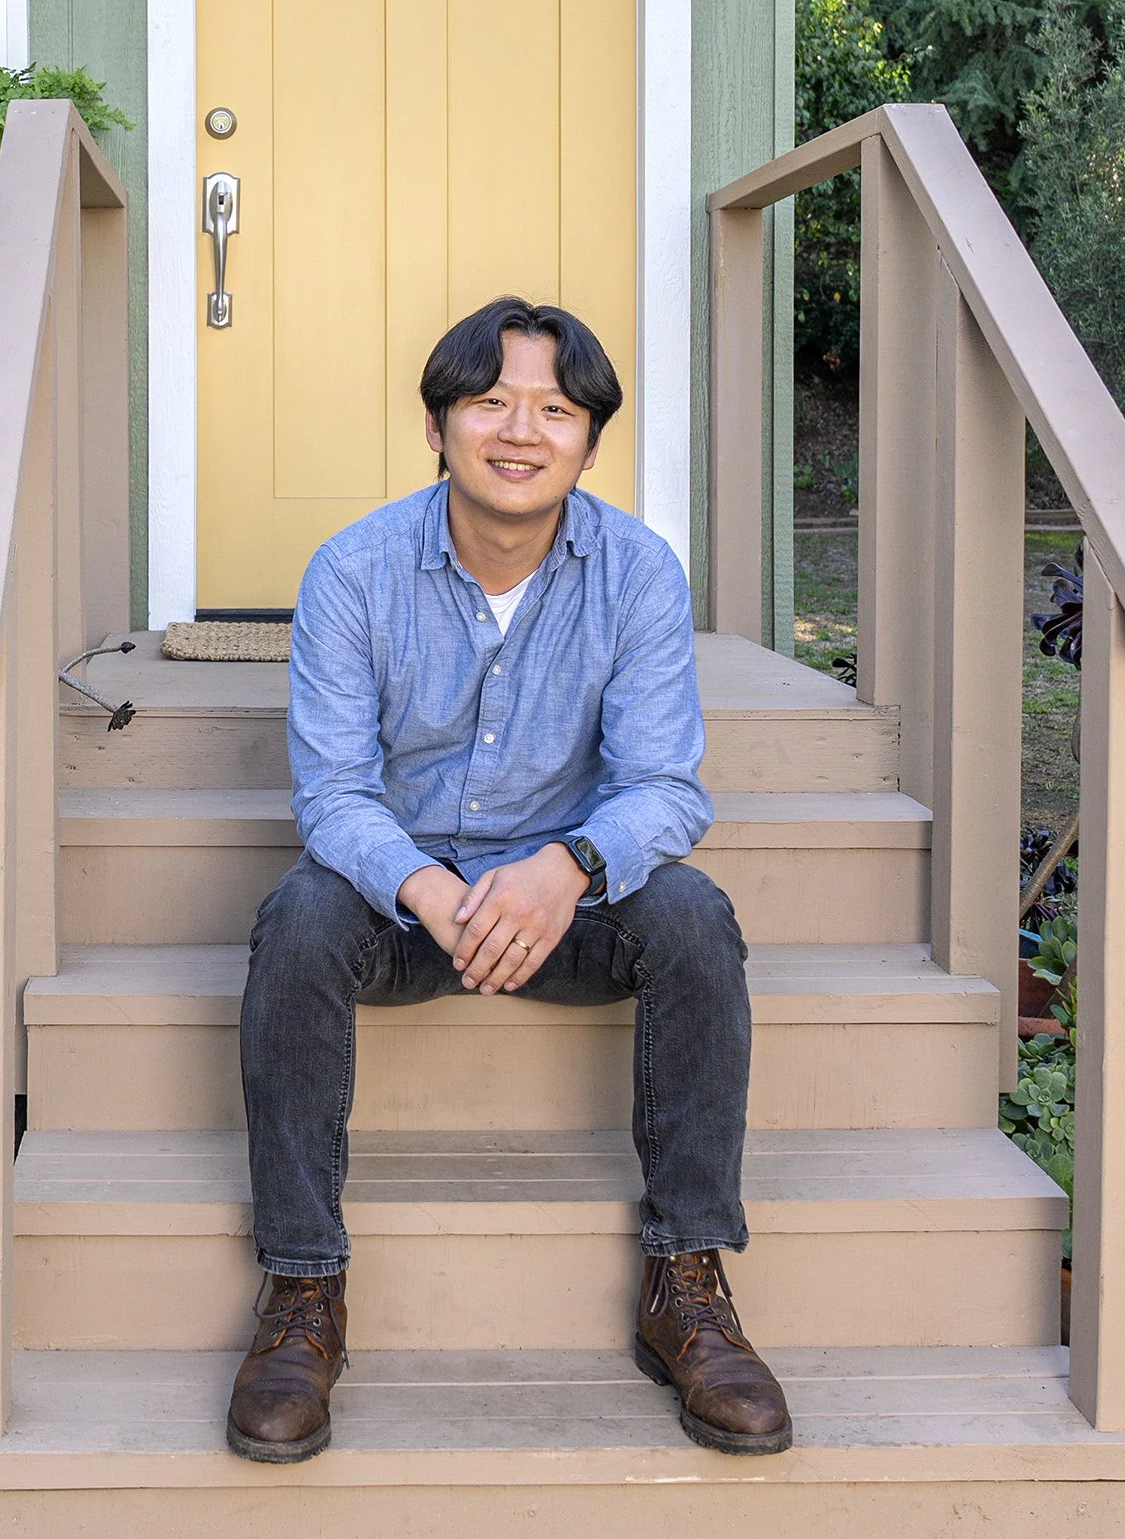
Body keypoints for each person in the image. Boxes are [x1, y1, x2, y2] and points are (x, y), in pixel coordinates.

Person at [227, 295, 792, 1467]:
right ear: (438, 426)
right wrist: (431, 890)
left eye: (555, 407)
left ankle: (686, 1277)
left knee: (693, 914)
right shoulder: (354, 570)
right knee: (296, 918)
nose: (520, 429)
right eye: (489, 401)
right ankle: (300, 1289)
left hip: (568, 910)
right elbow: (333, 794)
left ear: (589, 440)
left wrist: (566, 866)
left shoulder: (635, 571)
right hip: (408, 909)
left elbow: (667, 788)